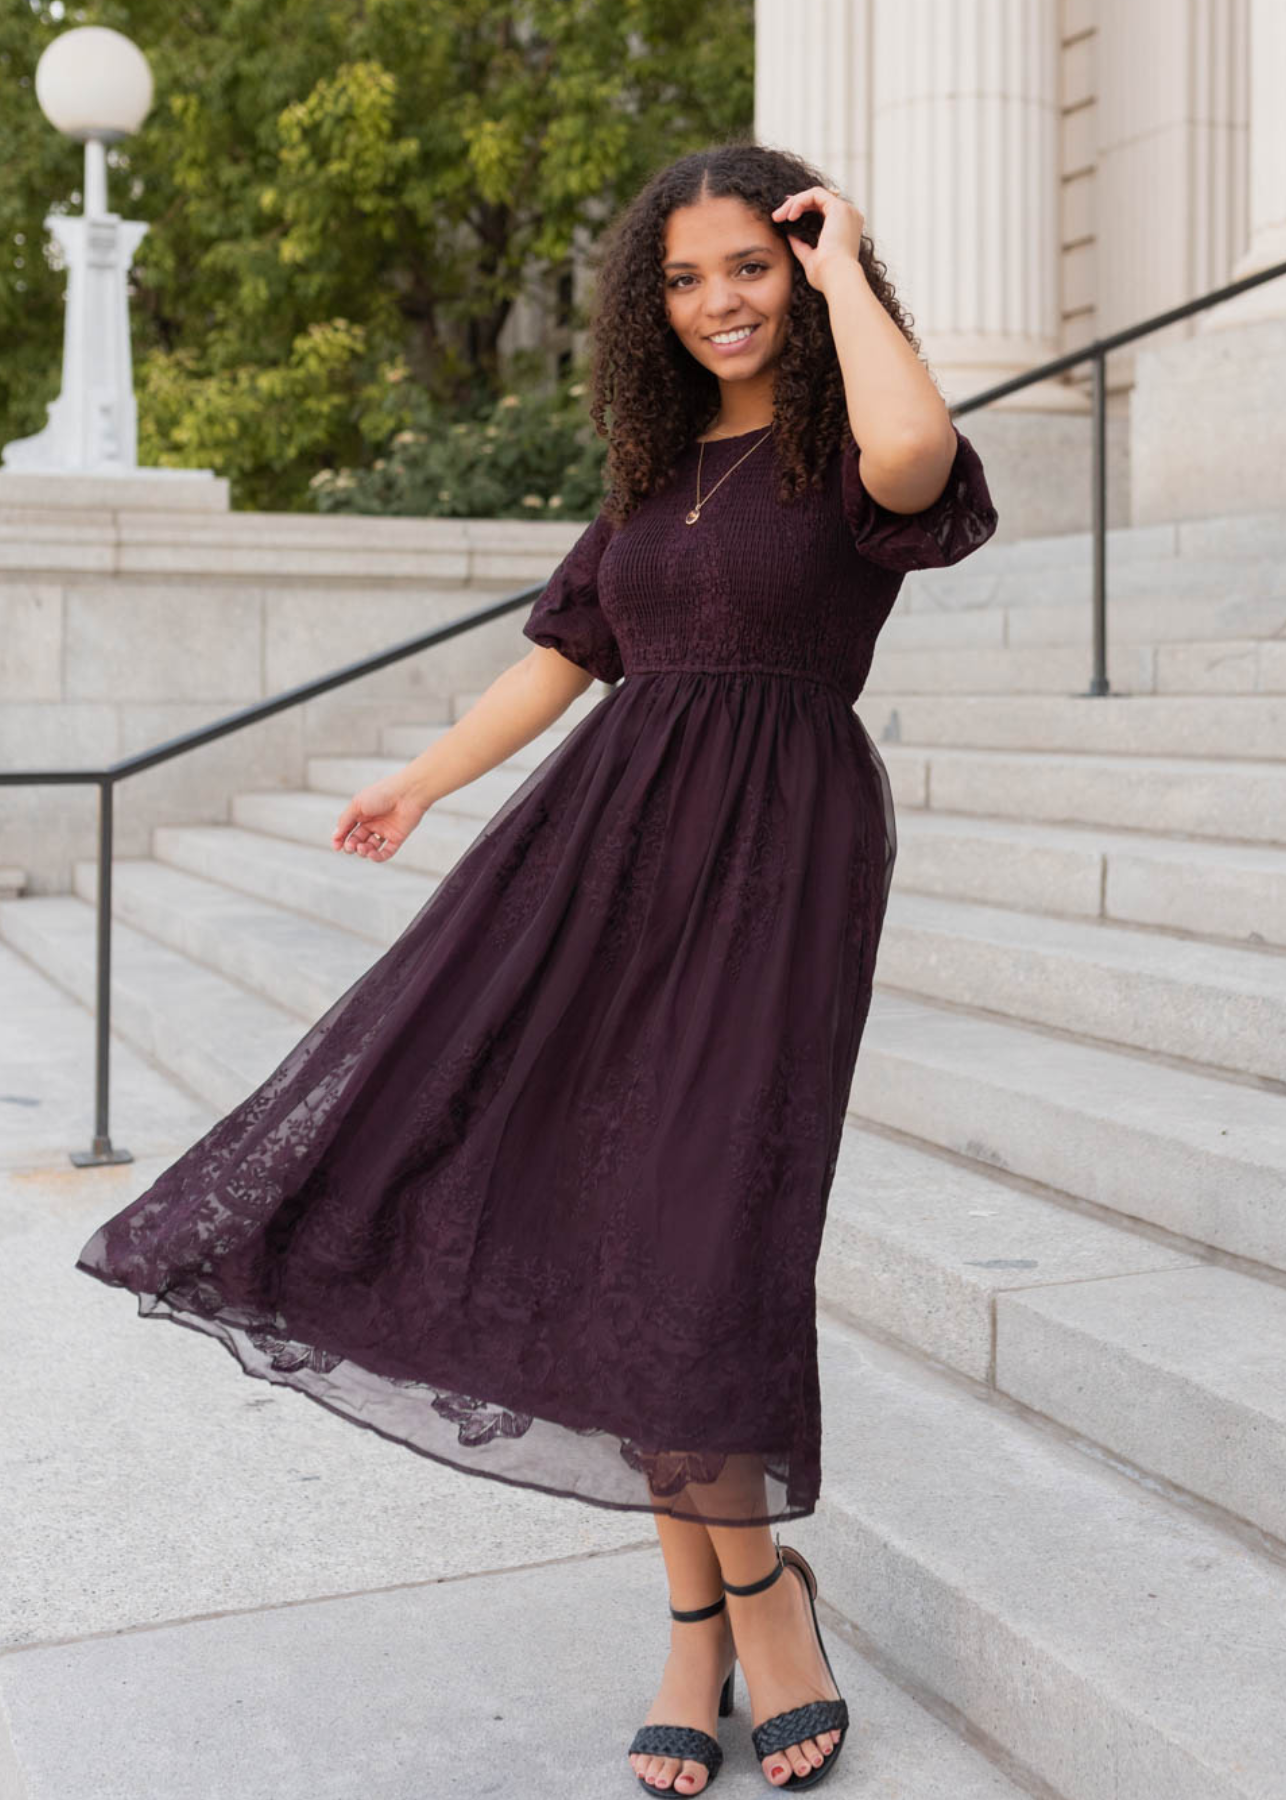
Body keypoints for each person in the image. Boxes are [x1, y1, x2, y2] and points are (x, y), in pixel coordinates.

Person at [74, 140, 997, 1794]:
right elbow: (568, 653)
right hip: (604, 854)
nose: (720, 302)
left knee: (703, 1233)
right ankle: (702, 1616)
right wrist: (420, 777)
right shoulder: (652, 472)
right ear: (653, 304)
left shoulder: (850, 438)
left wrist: (849, 257)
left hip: (780, 859)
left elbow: (922, 451)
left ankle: (762, 1607)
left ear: (799, 270)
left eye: (752, 266)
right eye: (686, 277)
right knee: (599, 1223)